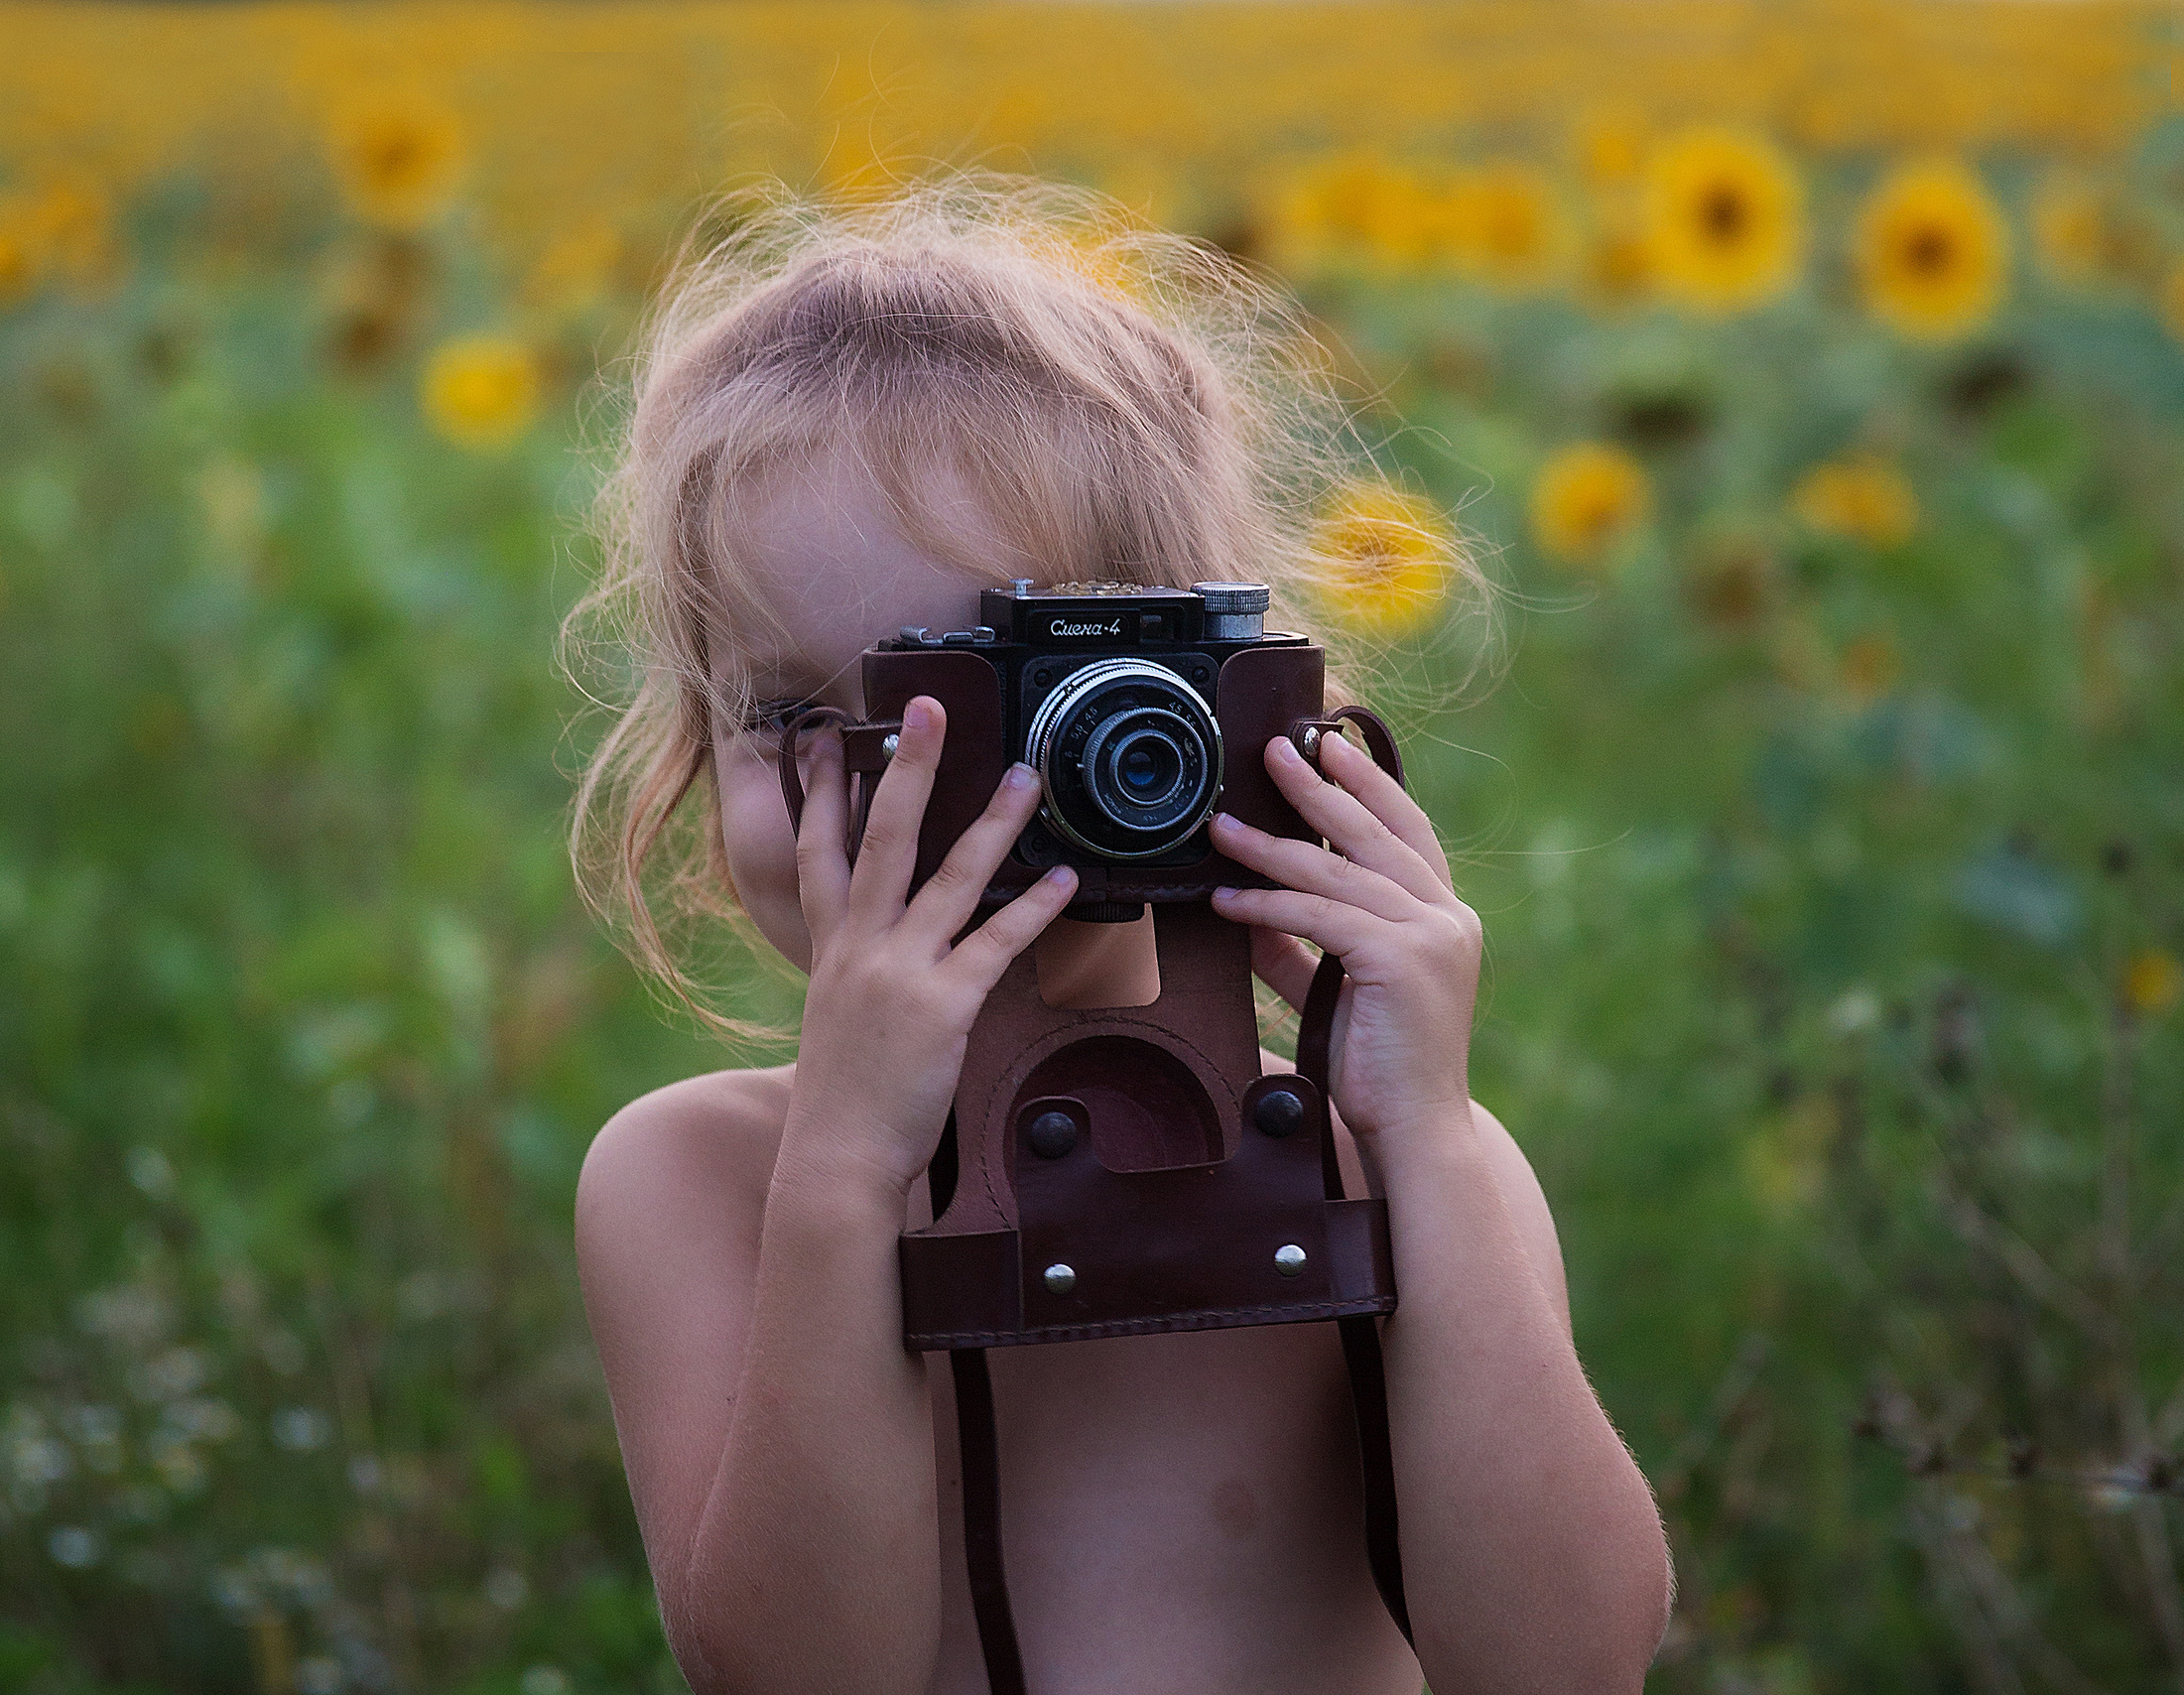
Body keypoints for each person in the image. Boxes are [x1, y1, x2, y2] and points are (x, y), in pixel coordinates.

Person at [567, 173, 1671, 1694]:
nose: (895, 796)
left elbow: (1565, 1668)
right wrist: (844, 1172)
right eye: (791, 715)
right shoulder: (699, 1183)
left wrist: (1425, 1135)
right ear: (693, 749)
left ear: (1194, 721)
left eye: (978, 702)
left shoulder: (1383, 1163)